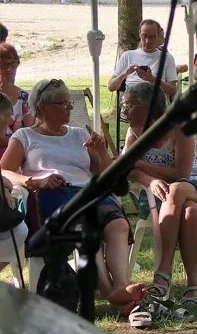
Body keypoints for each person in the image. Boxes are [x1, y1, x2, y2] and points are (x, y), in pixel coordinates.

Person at [0, 79, 139, 313]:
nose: (69, 108)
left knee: (118, 224)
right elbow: (4, 171)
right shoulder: (25, 136)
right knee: (87, 227)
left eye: (69, 103)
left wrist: (100, 151)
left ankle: (121, 285)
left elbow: (106, 176)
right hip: (52, 195)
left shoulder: (79, 134)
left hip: (87, 192)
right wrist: (34, 181)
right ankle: (111, 293)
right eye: (62, 103)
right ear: (43, 107)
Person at [122, 84, 197, 324]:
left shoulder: (179, 127)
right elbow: (128, 171)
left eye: (129, 104)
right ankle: (193, 285)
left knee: (178, 189)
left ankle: (163, 273)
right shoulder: (133, 132)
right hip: (166, 195)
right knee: (190, 212)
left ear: (148, 108)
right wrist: (149, 180)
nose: (123, 109)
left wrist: (141, 165)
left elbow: (182, 173)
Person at [108, 19, 179, 99]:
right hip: (131, 102)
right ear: (139, 34)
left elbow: (172, 91)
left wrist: (152, 79)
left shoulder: (167, 58)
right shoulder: (127, 56)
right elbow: (111, 87)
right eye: (144, 36)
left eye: (152, 37)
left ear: (158, 36)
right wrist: (125, 73)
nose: (147, 41)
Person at [0, 43, 32, 152]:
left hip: (20, 154)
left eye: (13, 64)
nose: (9, 69)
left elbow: (30, 134)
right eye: (3, 64)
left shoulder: (25, 98)